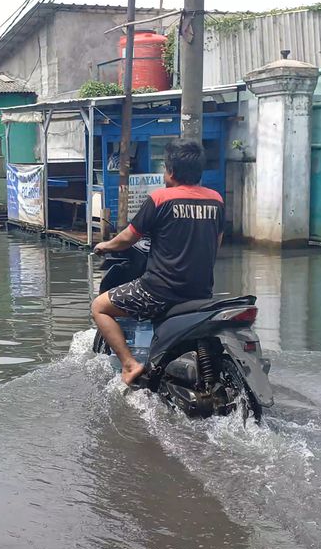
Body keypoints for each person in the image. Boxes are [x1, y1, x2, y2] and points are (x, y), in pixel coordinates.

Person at [91, 139, 227, 386]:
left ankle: (130, 364)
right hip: (201, 292)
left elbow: (128, 238)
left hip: (159, 292)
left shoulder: (161, 199)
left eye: (165, 168)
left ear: (171, 171)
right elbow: (216, 244)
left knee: (99, 306)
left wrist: (104, 246)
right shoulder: (216, 200)